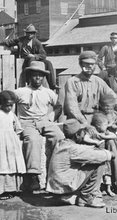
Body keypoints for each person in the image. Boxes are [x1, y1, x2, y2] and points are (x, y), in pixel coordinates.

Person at [14, 61, 65, 193]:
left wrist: (51, 116)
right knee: (33, 140)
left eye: (41, 76)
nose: (38, 78)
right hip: (27, 122)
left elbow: (59, 106)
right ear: (29, 76)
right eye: (35, 75)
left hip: (44, 121)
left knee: (59, 137)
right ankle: (33, 176)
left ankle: (56, 172)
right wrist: (13, 121)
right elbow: (6, 104)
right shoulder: (20, 92)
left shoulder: (48, 92)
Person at [46, 118, 114, 208]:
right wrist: (109, 153)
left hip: (57, 187)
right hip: (65, 186)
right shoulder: (73, 149)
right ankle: (86, 197)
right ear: (77, 135)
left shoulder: (62, 143)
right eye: (83, 133)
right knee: (99, 162)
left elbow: (83, 150)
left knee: (92, 159)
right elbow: (100, 156)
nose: (84, 135)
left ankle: (76, 196)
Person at [64, 50, 117, 125]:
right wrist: (85, 123)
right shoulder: (72, 82)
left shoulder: (98, 81)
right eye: (86, 64)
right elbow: (72, 109)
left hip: (96, 118)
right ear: (80, 64)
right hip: (78, 120)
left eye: (92, 64)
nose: (90, 66)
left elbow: (115, 99)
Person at [0, 24, 58, 90]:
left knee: (48, 63)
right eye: (28, 33)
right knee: (30, 60)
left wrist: (34, 56)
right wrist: (2, 42)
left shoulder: (37, 43)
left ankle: (52, 84)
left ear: (34, 34)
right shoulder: (21, 40)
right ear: (26, 33)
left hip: (36, 60)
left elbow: (43, 55)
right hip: (24, 61)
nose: (30, 35)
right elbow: (10, 42)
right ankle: (29, 82)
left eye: (31, 33)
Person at [0, 90, 26, 200]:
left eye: (11, 105)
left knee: (12, 163)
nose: (9, 108)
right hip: (1, 143)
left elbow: (18, 128)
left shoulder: (11, 115)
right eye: (7, 105)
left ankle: (12, 188)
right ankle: (2, 190)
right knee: (3, 164)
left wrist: (18, 138)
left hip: (11, 143)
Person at [91, 112, 117, 197]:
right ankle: (99, 189)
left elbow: (114, 136)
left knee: (107, 174)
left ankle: (108, 189)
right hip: (97, 158)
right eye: (105, 124)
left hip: (104, 158)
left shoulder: (104, 132)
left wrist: (105, 136)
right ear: (98, 126)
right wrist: (103, 136)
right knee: (99, 175)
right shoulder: (94, 133)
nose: (107, 126)